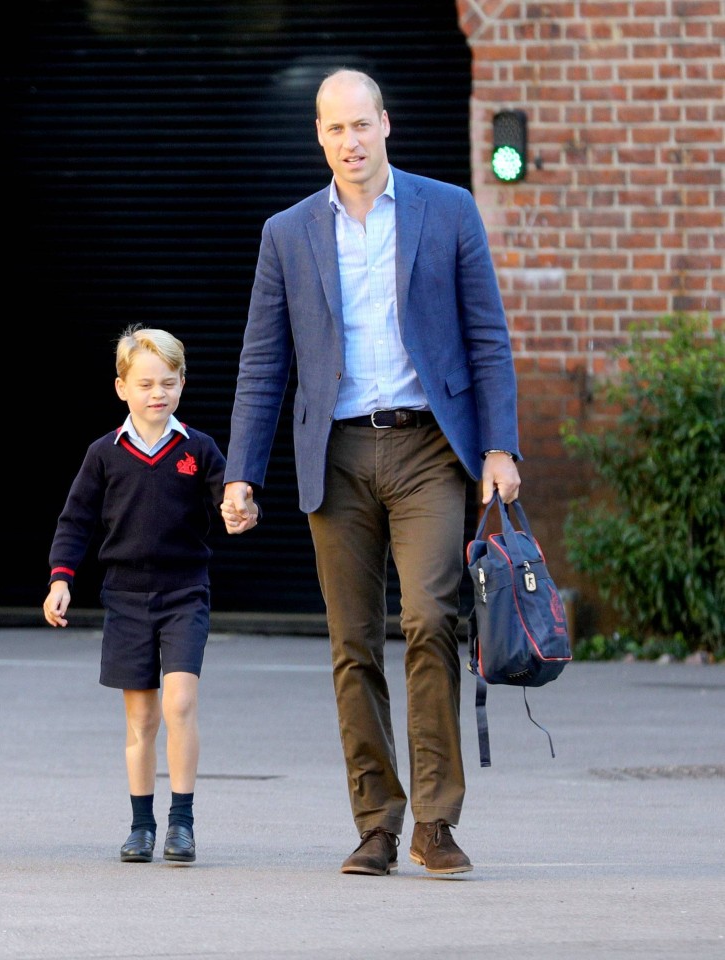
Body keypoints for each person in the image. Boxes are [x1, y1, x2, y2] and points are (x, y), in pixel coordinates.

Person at [220, 69, 522, 877]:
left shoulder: (446, 210)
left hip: (428, 449)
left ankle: (435, 819)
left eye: (360, 125)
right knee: (352, 643)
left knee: (429, 620)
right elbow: (262, 362)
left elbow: (486, 336)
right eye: (333, 130)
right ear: (317, 137)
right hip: (337, 455)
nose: (349, 143)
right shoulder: (286, 233)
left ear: (385, 124)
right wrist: (240, 473)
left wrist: (500, 448)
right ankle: (376, 821)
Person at [43, 326, 258, 865]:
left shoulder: (199, 449)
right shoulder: (103, 454)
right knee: (141, 720)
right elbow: (76, 521)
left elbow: (229, 498)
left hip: (186, 594)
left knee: (180, 703)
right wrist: (61, 578)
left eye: (167, 382)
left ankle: (181, 823)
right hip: (126, 599)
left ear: (183, 383)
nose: (156, 393)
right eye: (144, 383)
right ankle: (141, 824)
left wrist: (241, 509)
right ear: (121, 388)